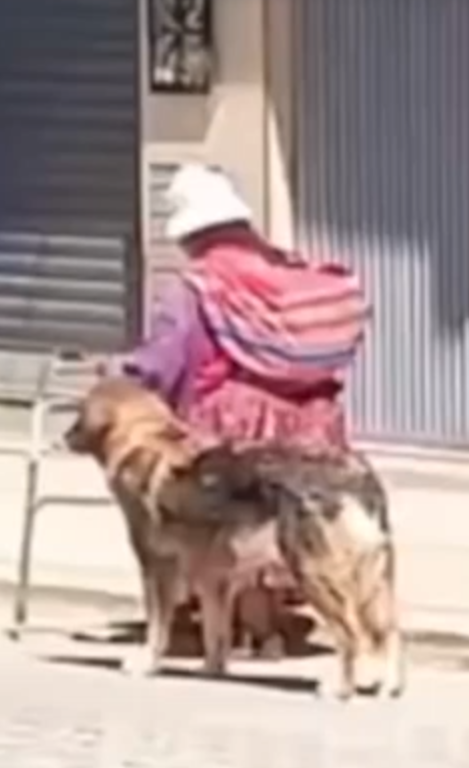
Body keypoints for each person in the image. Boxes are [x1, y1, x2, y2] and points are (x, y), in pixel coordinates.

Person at [116, 163, 369, 654]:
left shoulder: (200, 287)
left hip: (236, 421)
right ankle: (274, 627)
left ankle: (247, 627)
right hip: (310, 419)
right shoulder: (288, 271)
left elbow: (166, 357)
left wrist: (122, 383)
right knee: (290, 518)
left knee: (233, 517)